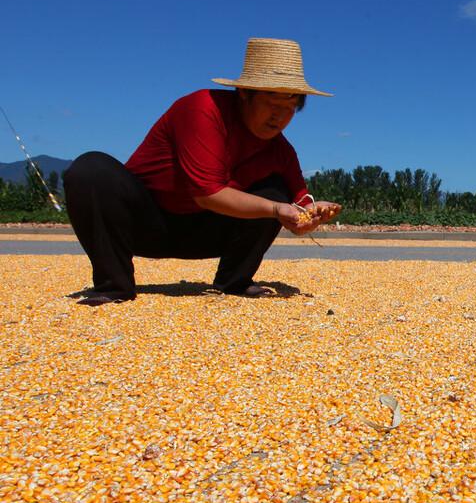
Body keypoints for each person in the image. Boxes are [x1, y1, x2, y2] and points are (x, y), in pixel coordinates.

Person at [63, 37, 341, 306]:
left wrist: (312, 213)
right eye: (271, 103)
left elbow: (299, 200)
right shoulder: (203, 108)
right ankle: (114, 286)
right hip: (144, 224)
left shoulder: (281, 150)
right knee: (91, 169)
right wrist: (278, 210)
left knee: (275, 190)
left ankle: (235, 281)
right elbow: (207, 193)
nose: (279, 116)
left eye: (289, 108)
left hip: (205, 232)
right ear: (244, 93)